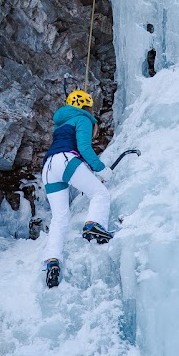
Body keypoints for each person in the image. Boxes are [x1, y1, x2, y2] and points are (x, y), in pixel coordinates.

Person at [40, 89, 115, 288]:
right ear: (85, 106)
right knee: (99, 193)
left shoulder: (61, 124)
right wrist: (101, 169)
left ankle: (52, 261)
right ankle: (94, 224)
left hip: (48, 168)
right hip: (66, 160)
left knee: (60, 217)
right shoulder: (82, 118)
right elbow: (84, 148)